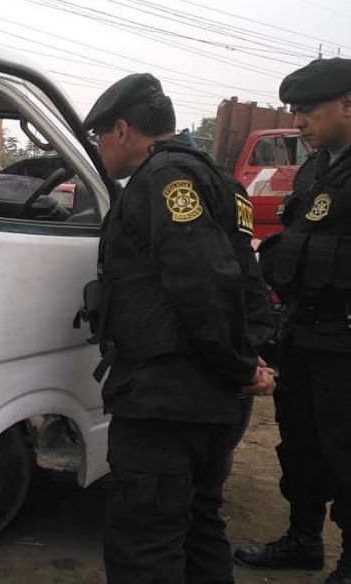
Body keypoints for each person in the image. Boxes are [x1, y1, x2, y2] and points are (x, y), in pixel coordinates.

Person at [82, 73, 276, 582]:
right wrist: (248, 357)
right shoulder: (219, 181)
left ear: (122, 129)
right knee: (199, 528)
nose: (100, 148)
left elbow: (204, 282)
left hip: (166, 402)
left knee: (145, 545)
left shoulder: (165, 181)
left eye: (100, 136)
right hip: (208, 402)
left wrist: (237, 365)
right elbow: (249, 285)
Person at [234, 58, 351, 584]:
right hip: (303, 333)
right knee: (299, 443)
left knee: (346, 450)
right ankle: (303, 540)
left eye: (308, 111)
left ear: (349, 105)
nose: (299, 123)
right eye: (295, 112)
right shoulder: (317, 168)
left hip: (345, 341)